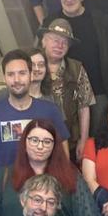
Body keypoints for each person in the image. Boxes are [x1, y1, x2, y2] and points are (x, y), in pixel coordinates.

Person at [0, 119, 102, 216]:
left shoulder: (71, 175)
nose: (40, 146)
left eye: (47, 141)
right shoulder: (3, 177)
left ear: (55, 145)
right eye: (34, 140)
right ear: (25, 142)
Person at [0, 50, 69, 193]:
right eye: (11, 74)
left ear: (31, 75)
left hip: (45, 194)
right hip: (6, 194)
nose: (17, 79)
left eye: (22, 73)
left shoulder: (51, 111)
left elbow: (63, 158)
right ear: (4, 78)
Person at [45, 0, 108, 134]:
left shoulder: (100, 20)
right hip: (63, 93)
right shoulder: (50, 22)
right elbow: (39, 56)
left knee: (98, 137)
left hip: (99, 91)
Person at [38, 19, 95, 161]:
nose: (60, 45)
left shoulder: (76, 68)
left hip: (69, 140)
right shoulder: (33, 65)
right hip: (36, 140)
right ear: (43, 41)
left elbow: (84, 106)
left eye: (65, 42)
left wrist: (84, 140)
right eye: (55, 40)